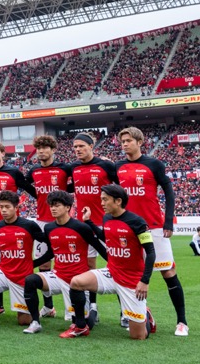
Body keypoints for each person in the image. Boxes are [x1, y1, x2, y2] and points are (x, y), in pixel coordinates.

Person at [116, 126, 188, 336]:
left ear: (140, 142)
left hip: (154, 226)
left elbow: (169, 192)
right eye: (122, 141)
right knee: (126, 274)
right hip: (128, 229)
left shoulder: (154, 164)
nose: (125, 144)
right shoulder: (117, 167)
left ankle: (182, 321)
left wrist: (168, 222)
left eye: (128, 140)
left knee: (168, 272)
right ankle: (134, 314)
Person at [66, 184, 156, 340]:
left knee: (138, 336)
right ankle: (80, 326)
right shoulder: (106, 218)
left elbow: (151, 253)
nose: (101, 203)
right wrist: (89, 222)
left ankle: (146, 316)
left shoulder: (137, 222)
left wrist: (144, 281)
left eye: (105, 199)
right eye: (101, 199)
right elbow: (106, 237)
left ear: (118, 201)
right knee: (76, 282)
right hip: (111, 272)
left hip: (131, 279)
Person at [22, 190, 108, 334]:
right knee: (31, 280)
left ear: (68, 207)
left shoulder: (81, 227)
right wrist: (32, 264)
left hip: (78, 280)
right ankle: (35, 322)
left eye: (57, 205)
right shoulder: (49, 228)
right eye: (51, 205)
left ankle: (92, 308)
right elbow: (51, 253)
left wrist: (114, 264)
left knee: (85, 323)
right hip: (58, 275)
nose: (53, 208)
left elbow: (99, 247)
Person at [0, 190, 50, 330]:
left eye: (7, 207)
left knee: (24, 321)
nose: (3, 210)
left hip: (22, 276)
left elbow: (49, 245)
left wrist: (35, 263)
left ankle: (38, 311)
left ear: (16, 208)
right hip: (3, 272)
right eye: (1, 206)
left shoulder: (29, 225)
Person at [0, 141, 35, 313]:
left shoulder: (13, 172)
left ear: (3, 153)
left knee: (16, 263)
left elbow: (31, 190)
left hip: (12, 227)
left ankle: (32, 302)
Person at [69, 132, 117, 319]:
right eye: (75, 147)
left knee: (117, 264)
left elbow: (120, 185)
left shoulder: (105, 165)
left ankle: (126, 310)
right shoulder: (72, 168)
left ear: (91, 146)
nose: (78, 149)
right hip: (85, 225)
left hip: (106, 224)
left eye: (82, 146)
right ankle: (92, 307)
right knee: (88, 265)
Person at [25, 134, 73, 317]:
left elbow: (76, 184)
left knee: (67, 262)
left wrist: (63, 194)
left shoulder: (64, 168)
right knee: (44, 264)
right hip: (41, 223)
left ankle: (74, 307)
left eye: (45, 148)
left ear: (53, 150)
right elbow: (24, 183)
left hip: (63, 223)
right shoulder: (34, 170)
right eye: (39, 148)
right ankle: (48, 306)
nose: (41, 151)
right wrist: (37, 195)